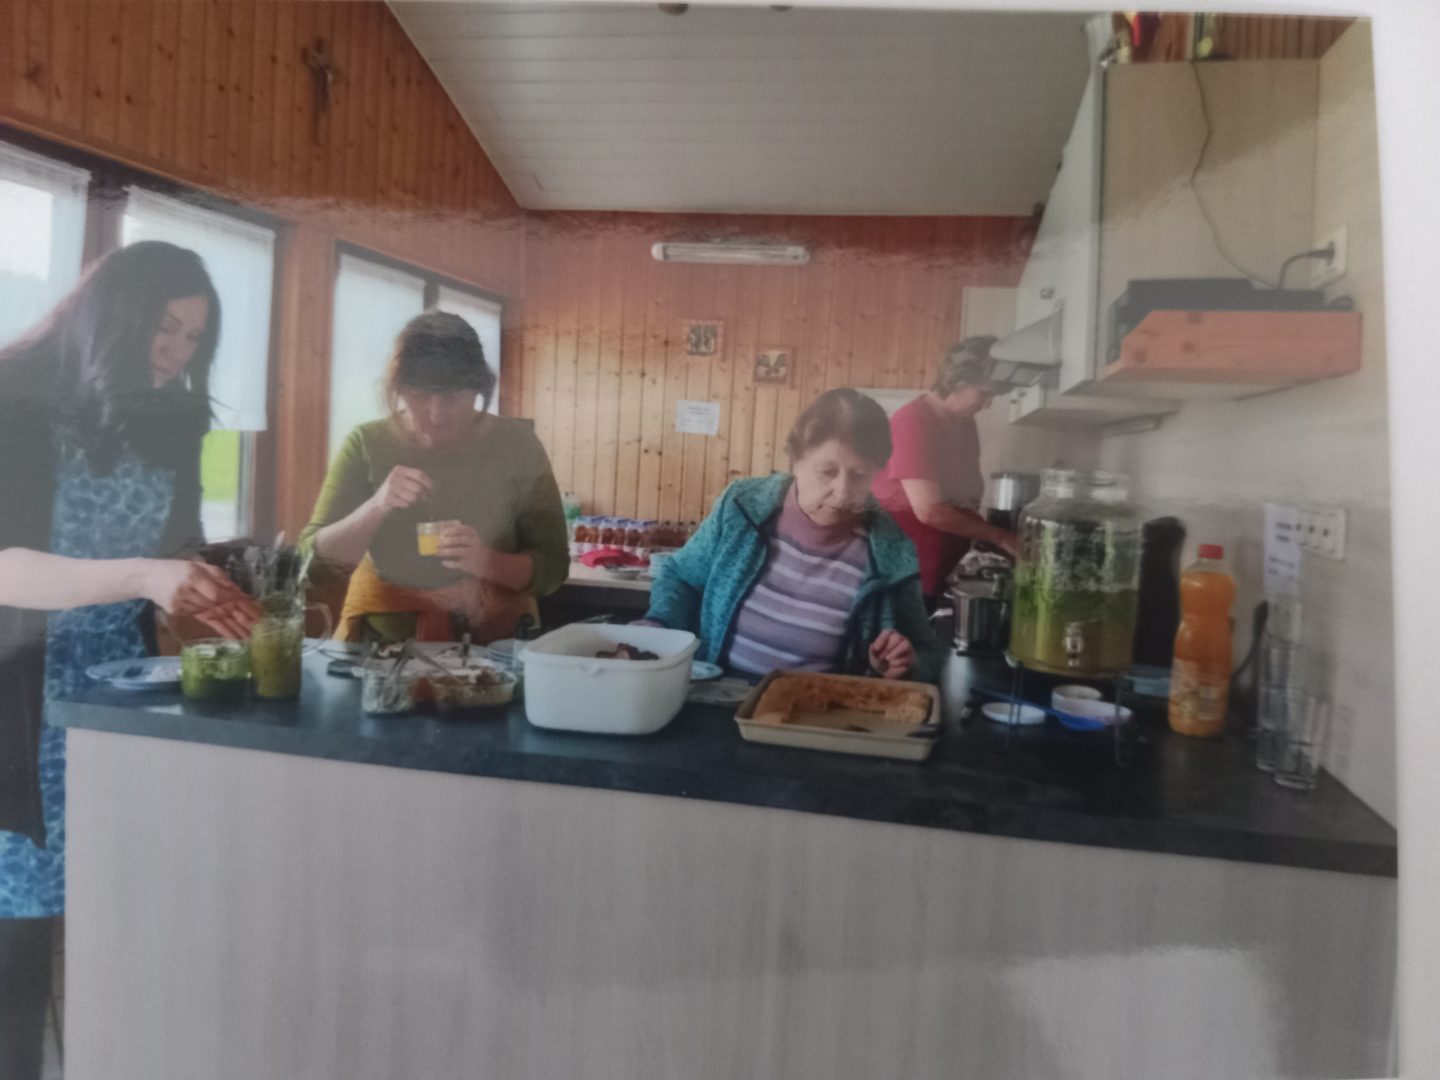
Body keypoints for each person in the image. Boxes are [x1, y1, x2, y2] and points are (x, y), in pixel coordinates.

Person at [0, 241, 259, 1080]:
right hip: (17, 707)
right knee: (16, 952)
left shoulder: (174, 419)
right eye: (163, 328)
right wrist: (145, 576)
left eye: (194, 337)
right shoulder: (15, 398)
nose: (177, 353)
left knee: (124, 930)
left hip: (118, 703)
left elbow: (175, 547)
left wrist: (203, 589)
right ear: (114, 316)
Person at [643, 388, 944, 683]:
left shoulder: (892, 551)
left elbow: (927, 653)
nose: (842, 493)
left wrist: (906, 664)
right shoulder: (741, 507)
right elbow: (681, 577)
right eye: (827, 472)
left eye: (859, 475)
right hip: (719, 698)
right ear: (796, 462)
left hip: (817, 710)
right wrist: (659, 622)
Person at [301, 312, 568, 644]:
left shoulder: (518, 445)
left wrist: (487, 562)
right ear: (399, 390)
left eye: (453, 399)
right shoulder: (366, 443)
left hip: (498, 649)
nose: (437, 415)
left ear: (479, 389)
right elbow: (313, 566)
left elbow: (554, 566)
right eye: (420, 396)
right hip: (382, 652)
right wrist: (377, 506)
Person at [871, 337, 1019, 603]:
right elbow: (930, 511)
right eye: (983, 393)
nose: (987, 404)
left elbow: (963, 495)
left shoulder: (964, 423)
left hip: (940, 571)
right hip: (904, 577)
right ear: (957, 381)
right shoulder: (912, 422)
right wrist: (999, 536)